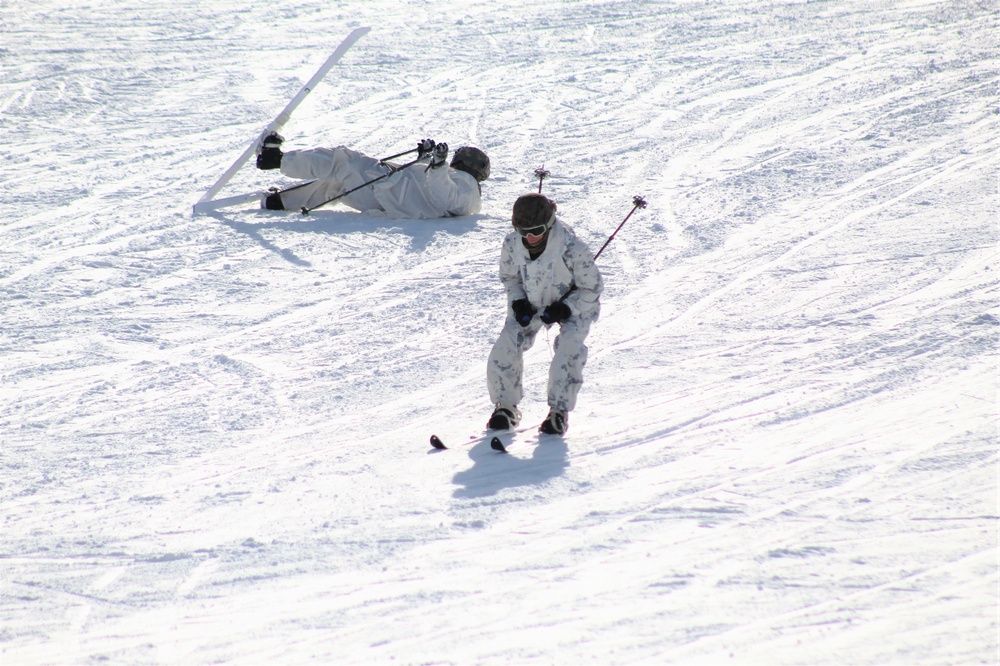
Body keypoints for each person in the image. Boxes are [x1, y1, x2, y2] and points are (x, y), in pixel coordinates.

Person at [486, 193, 604, 435]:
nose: (530, 237)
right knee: (505, 346)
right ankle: (506, 408)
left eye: (537, 230)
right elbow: (509, 278)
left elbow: (592, 288)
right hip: (532, 302)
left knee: (569, 349)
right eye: (523, 231)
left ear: (549, 224)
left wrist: (566, 308)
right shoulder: (511, 244)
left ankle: (558, 413)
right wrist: (518, 302)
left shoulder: (573, 249)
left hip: (574, 305)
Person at [255, 134, 490, 218]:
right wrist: (426, 158)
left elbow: (445, 197)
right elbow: (430, 186)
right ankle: (278, 202)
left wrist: (438, 166)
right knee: (337, 185)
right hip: (388, 195)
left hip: (389, 190)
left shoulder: (467, 187)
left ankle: (276, 159)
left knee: (343, 160)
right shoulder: (461, 183)